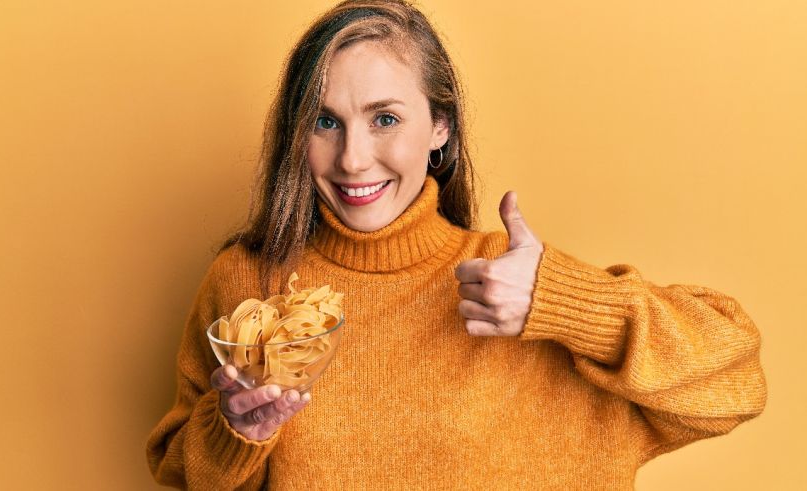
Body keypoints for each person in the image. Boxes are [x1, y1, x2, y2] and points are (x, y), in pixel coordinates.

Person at [146, 1, 768, 489]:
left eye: (385, 118)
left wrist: (567, 302)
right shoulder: (247, 284)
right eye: (325, 121)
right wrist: (234, 429)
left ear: (439, 128)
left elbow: (736, 382)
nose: (353, 158)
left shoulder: (511, 286)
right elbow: (182, 469)